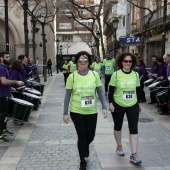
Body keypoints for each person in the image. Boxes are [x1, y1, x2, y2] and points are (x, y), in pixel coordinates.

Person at [63, 51, 107, 170]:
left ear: (89, 62)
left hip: (91, 111)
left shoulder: (94, 75)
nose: (83, 62)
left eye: (85, 60)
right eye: (80, 61)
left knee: (90, 135)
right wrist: (65, 113)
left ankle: (84, 147)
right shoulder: (72, 76)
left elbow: (100, 92)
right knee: (81, 135)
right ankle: (82, 160)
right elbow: (67, 96)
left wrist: (104, 106)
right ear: (77, 63)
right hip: (76, 110)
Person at [108, 52, 142, 164]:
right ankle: (119, 146)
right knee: (118, 126)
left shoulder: (136, 74)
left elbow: (137, 90)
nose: (127, 63)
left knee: (134, 128)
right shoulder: (116, 75)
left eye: (130, 61)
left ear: (133, 63)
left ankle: (134, 154)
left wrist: (138, 104)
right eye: (125, 61)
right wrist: (110, 103)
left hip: (132, 104)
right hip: (118, 104)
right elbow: (111, 91)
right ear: (121, 62)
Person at [0, 52, 24, 143]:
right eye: (7, 57)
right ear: (1, 58)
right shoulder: (1, 68)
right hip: (1, 96)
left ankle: (3, 130)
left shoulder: (4, 68)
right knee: (2, 115)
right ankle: (0, 135)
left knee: (5, 115)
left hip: (5, 94)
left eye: (9, 56)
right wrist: (16, 82)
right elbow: (3, 81)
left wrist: (11, 88)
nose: (9, 58)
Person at [9, 59, 25, 126]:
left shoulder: (16, 71)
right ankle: (16, 119)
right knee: (18, 105)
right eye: (20, 64)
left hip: (17, 90)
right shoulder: (14, 72)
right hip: (15, 91)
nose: (22, 65)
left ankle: (18, 118)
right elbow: (13, 81)